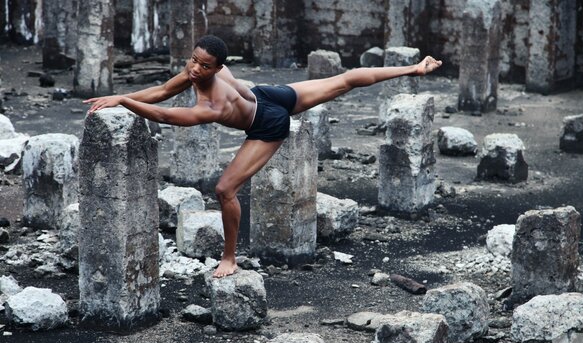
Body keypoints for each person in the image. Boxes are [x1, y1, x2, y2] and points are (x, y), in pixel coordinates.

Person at [84, 35, 442, 278]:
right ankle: (414, 68)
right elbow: (163, 91)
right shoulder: (204, 68)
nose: (195, 70)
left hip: (268, 120)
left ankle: (229, 257)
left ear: (218, 67)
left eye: (204, 66)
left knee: (225, 190)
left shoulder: (213, 104)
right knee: (345, 80)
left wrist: (125, 101)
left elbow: (162, 114)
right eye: (193, 61)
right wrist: (123, 95)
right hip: (265, 93)